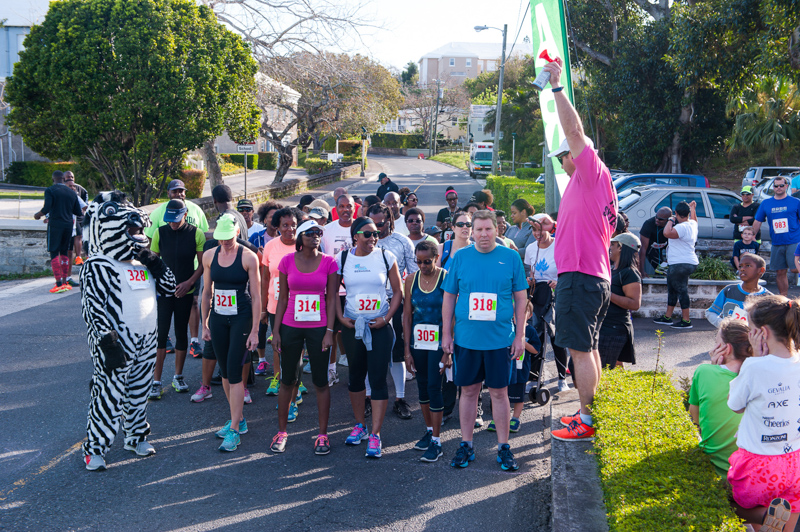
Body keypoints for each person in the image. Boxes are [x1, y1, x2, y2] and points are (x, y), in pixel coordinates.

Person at [544, 57, 618, 444]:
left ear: (575, 154)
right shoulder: (589, 183)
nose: (561, 163)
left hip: (582, 277)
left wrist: (557, 86)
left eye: (562, 156)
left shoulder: (591, 171)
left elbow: (574, 130)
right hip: (590, 275)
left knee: (579, 349)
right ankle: (591, 413)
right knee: (587, 349)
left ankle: (586, 420)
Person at [79, 191, 176, 471]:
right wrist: (108, 344)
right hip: (115, 344)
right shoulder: (98, 264)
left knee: (139, 391)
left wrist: (155, 262)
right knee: (108, 395)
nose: (136, 229)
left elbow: (170, 288)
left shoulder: (141, 263)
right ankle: (94, 449)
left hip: (146, 340)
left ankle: (136, 436)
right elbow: (92, 308)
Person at [442, 210, 528, 471]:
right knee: (468, 391)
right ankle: (466, 444)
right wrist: (446, 333)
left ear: (497, 229)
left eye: (488, 229)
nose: (483, 234)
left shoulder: (510, 257)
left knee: (500, 393)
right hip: (467, 339)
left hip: (500, 340)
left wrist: (520, 335)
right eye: (478, 229)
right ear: (472, 231)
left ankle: (504, 447)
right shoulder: (460, 257)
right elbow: (449, 297)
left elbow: (521, 298)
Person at [726, 295, 800, 532]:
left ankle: (764, 516)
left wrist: (755, 359)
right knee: (790, 510)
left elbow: (735, 405)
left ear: (762, 333)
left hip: (758, 464)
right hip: (795, 460)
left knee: (731, 502)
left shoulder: (754, 366)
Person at [269, 220, 338, 454]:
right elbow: (283, 298)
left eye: (319, 232)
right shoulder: (287, 261)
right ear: (300, 237)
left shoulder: (329, 262)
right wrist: (275, 332)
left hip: (319, 327)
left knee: (320, 381)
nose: (315, 235)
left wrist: (330, 331)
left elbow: (331, 298)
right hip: (290, 325)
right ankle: (281, 432)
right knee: (288, 380)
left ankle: (323, 435)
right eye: (310, 233)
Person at [336, 216, 403, 459]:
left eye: (375, 233)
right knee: (355, 377)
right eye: (367, 234)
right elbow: (332, 293)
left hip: (379, 326)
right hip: (353, 326)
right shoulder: (343, 258)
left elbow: (398, 292)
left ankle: (375, 433)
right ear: (355, 236)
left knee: (377, 378)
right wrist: (341, 318)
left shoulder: (386, 256)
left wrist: (386, 319)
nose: (373, 238)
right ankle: (360, 425)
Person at [201, 214, 261, 452]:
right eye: (221, 238)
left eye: (228, 237)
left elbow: (256, 295)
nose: (225, 242)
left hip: (241, 318)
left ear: (237, 232)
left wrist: (255, 330)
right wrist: (204, 324)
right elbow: (207, 292)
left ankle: (234, 429)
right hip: (218, 318)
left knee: (235, 372)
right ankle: (239, 419)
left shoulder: (249, 257)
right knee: (225, 372)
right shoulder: (209, 255)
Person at [146, 180, 210, 359]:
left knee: (193, 304)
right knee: (163, 319)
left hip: (191, 271)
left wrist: (190, 281)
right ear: (168, 193)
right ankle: (165, 339)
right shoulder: (158, 215)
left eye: (181, 190)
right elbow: (152, 250)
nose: (178, 193)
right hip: (166, 279)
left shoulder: (196, 210)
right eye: (174, 191)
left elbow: (204, 237)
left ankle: (194, 342)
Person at [148, 199, 205, 398]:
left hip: (185, 291)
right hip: (164, 293)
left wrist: (190, 283)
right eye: (169, 220)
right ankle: (156, 381)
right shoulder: (159, 232)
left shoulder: (196, 233)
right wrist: (158, 284)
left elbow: (202, 264)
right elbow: (153, 261)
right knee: (161, 335)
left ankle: (178, 376)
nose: (172, 223)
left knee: (181, 333)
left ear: (185, 214)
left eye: (176, 219)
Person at [368, 203, 418, 419]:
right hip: (369, 304)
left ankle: (400, 399)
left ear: (389, 220)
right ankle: (368, 397)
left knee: (396, 353)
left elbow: (413, 273)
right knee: (369, 351)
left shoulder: (402, 241)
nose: (376, 230)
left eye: (380, 224)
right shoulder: (363, 241)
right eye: (372, 225)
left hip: (395, 301)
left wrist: (411, 303)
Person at [404, 240, 450, 462]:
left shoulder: (446, 277)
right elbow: (407, 315)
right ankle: (430, 431)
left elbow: (452, 314)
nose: (422, 266)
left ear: (436, 258)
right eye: (419, 262)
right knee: (422, 386)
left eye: (427, 262)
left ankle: (437, 442)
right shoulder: (411, 280)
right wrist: (406, 350)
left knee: (434, 386)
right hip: (418, 342)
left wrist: (448, 350)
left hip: (438, 342)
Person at [688, 320, 752, 477]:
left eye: (716, 343)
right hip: (753, 474)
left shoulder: (704, 371)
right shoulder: (760, 378)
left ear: (727, 348)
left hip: (716, 470)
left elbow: (696, 417)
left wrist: (714, 368)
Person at [261, 207, 304, 397]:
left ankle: (297, 381)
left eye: (293, 225)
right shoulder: (270, 246)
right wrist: (263, 308)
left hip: (298, 306)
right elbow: (265, 279)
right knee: (278, 342)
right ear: (277, 227)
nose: (290, 229)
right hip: (275, 305)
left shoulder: (303, 245)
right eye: (285, 225)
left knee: (297, 344)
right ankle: (278, 377)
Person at [525, 217, 569, 390]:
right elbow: (530, 272)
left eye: (541, 230)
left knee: (557, 337)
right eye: (534, 230)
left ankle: (562, 378)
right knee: (536, 336)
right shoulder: (530, 248)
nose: (537, 234)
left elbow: (568, 271)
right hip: (537, 296)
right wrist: (529, 280)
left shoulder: (560, 245)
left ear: (549, 229)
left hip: (556, 297)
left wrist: (559, 282)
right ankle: (534, 378)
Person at [487, 301, 540, 434]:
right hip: (504, 367)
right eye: (515, 312)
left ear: (530, 315)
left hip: (520, 368)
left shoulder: (530, 331)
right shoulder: (507, 327)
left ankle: (515, 418)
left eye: (523, 312)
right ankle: (497, 418)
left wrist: (522, 341)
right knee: (499, 393)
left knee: (518, 396)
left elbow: (535, 350)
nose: (518, 315)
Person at [321, 194, 356, 368]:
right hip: (333, 290)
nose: (345, 210)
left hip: (354, 290)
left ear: (354, 208)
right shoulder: (327, 230)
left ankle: (358, 369)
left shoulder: (360, 227)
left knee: (355, 330)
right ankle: (332, 369)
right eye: (342, 206)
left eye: (349, 206)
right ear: (336, 209)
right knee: (332, 331)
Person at [34, 170, 83, 293]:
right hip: (68, 225)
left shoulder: (50, 190)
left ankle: (58, 283)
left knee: (54, 252)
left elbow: (46, 208)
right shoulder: (72, 192)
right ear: (63, 179)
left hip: (55, 224)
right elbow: (78, 212)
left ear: (53, 179)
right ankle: (65, 282)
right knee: (64, 252)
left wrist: (37, 215)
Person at [598, 233, 642, 369]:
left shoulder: (630, 273)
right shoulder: (612, 270)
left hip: (615, 329)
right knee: (612, 369)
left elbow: (635, 304)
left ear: (621, 247)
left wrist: (607, 293)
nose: (610, 247)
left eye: (613, 244)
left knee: (605, 370)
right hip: (604, 326)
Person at [751, 175, 800, 296]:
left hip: (794, 241)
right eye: (776, 186)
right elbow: (757, 221)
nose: (778, 188)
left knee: (795, 268)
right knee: (780, 271)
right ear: (773, 187)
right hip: (777, 242)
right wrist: (752, 236)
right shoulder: (766, 203)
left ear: (786, 186)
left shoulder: (795, 202)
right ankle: (783, 298)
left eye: (781, 185)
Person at [653, 201, 699, 329]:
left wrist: (670, 220)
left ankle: (686, 320)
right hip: (686, 262)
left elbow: (667, 233)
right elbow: (694, 220)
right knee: (672, 289)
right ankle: (667, 317)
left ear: (676, 213)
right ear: (688, 213)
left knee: (681, 290)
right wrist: (693, 209)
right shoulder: (692, 224)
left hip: (680, 263)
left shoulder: (681, 227)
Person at [706, 253, 770, 326]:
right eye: (740, 266)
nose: (742, 269)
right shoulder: (729, 290)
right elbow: (711, 312)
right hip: (728, 333)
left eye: (748, 265)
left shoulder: (769, 298)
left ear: (761, 270)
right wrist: (724, 324)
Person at [638, 207, 671, 277]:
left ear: (668, 220)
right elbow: (643, 249)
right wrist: (641, 270)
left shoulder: (674, 224)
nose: (657, 220)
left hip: (668, 245)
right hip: (651, 247)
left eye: (660, 219)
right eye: (656, 217)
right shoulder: (648, 224)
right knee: (659, 267)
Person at [64, 171, 88, 266]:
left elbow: (85, 204)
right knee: (75, 237)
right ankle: (76, 258)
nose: (70, 178)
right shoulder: (60, 190)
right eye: (68, 177)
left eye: (72, 177)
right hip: (67, 218)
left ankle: (82, 257)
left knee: (81, 235)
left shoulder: (80, 189)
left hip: (79, 216)